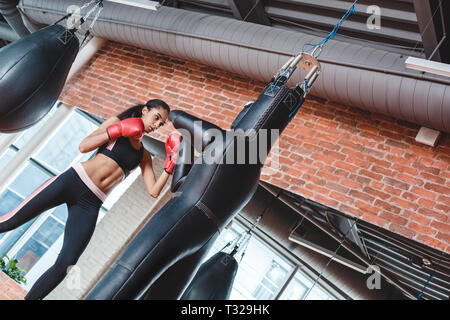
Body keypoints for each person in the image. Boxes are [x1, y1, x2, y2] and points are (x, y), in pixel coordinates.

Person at [0, 99, 181, 300]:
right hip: (73, 181)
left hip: (91, 204)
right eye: (156, 118)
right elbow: (84, 146)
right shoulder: (116, 123)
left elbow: (154, 190)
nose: (157, 126)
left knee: (66, 263)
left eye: (162, 124)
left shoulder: (143, 155)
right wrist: (118, 129)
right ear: (145, 111)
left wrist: (169, 165)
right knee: (9, 222)